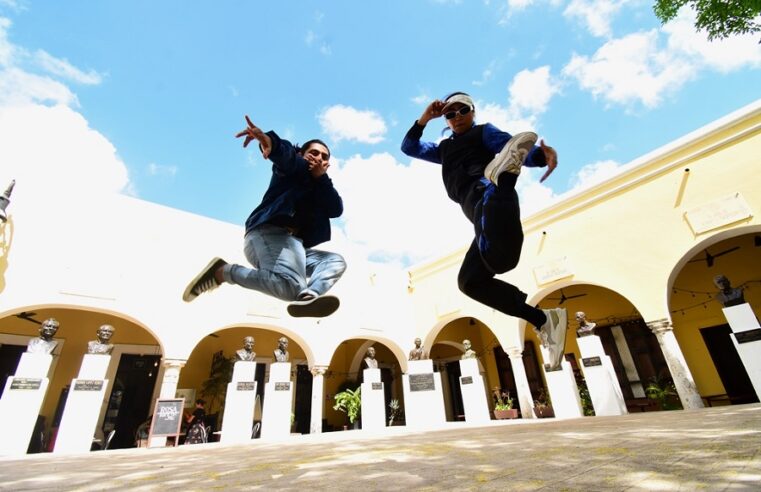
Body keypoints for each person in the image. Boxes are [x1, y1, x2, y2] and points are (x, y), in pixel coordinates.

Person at [401, 92, 568, 370]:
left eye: (462, 111)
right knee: (470, 281)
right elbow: (409, 147)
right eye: (450, 114)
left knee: (493, 220)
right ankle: (543, 320)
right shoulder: (443, 149)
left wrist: (540, 156)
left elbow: (513, 147)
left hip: (491, 198)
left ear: (472, 111)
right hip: (478, 217)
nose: (456, 118)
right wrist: (424, 118)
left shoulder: (483, 132)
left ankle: (502, 178)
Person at [183, 115, 347, 318]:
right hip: (267, 235)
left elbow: (336, 209)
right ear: (302, 153)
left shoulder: (321, 187)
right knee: (290, 288)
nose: (319, 159)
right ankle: (223, 271)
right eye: (314, 153)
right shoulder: (294, 166)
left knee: (335, 262)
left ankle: (309, 295)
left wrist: (322, 179)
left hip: (292, 248)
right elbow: (284, 155)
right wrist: (268, 142)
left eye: (324, 157)